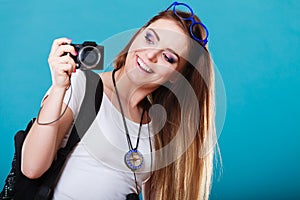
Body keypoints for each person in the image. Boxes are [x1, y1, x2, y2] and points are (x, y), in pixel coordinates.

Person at [21, 2, 217, 200]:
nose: (150, 55)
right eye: (149, 38)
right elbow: (31, 168)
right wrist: (58, 88)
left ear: (177, 75)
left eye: (167, 57)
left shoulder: (161, 128)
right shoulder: (82, 85)